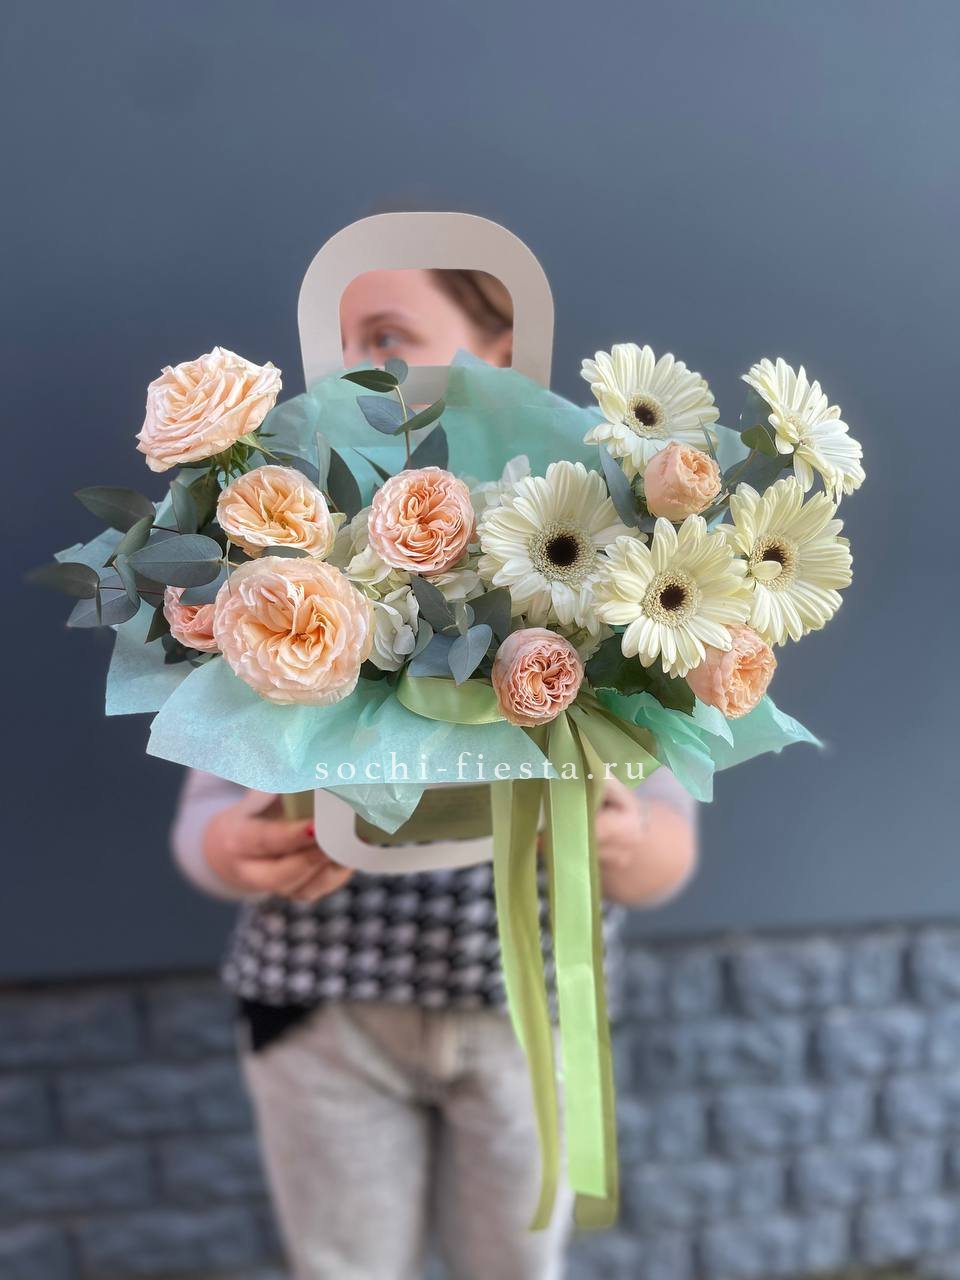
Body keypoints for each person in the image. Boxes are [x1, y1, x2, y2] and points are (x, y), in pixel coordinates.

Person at [172, 266, 698, 1280]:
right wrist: (226, 848)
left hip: (520, 1012)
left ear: (501, 349)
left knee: (514, 1263)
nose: (352, 365)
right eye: (336, 339)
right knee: (342, 1263)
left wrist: (627, 842)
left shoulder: (597, 550)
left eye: (386, 334)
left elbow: (667, 825)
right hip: (325, 1009)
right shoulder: (281, 550)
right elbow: (207, 797)